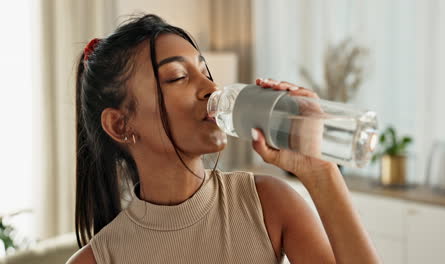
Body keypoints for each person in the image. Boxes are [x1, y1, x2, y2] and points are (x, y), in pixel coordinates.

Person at [67, 14, 380, 264]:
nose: (211, 88)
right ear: (120, 124)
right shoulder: (98, 259)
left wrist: (319, 171)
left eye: (206, 72)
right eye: (178, 77)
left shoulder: (267, 202)